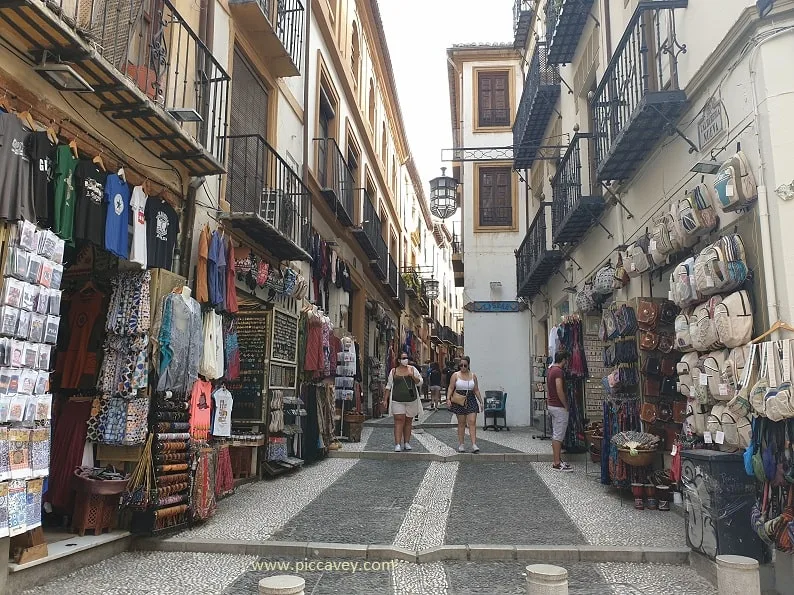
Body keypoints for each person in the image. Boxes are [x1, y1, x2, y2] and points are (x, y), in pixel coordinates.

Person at [382, 352, 423, 452]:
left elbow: (420, 382)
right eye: (403, 358)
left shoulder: (413, 369)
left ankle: (407, 442)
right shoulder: (393, 371)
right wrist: (385, 399)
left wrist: (412, 376)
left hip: (411, 400)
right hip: (397, 400)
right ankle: (397, 444)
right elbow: (389, 386)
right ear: (399, 360)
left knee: (408, 421)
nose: (406, 359)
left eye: (407, 358)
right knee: (399, 420)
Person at [446, 355, 483, 453]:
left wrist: (481, 401)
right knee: (461, 423)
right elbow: (450, 387)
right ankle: (461, 444)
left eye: (465, 365)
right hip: (459, 399)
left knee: (472, 421)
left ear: (468, 365)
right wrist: (448, 398)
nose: (462, 367)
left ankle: (474, 444)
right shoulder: (455, 375)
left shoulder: (473, 376)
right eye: (461, 365)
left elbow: (476, 390)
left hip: (471, 398)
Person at [547, 350, 573, 471]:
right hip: (558, 406)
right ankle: (557, 463)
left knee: (556, 434)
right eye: (566, 360)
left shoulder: (551, 370)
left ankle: (557, 459)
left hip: (552, 405)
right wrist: (565, 405)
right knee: (558, 435)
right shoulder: (558, 372)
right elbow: (559, 389)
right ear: (563, 360)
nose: (567, 362)